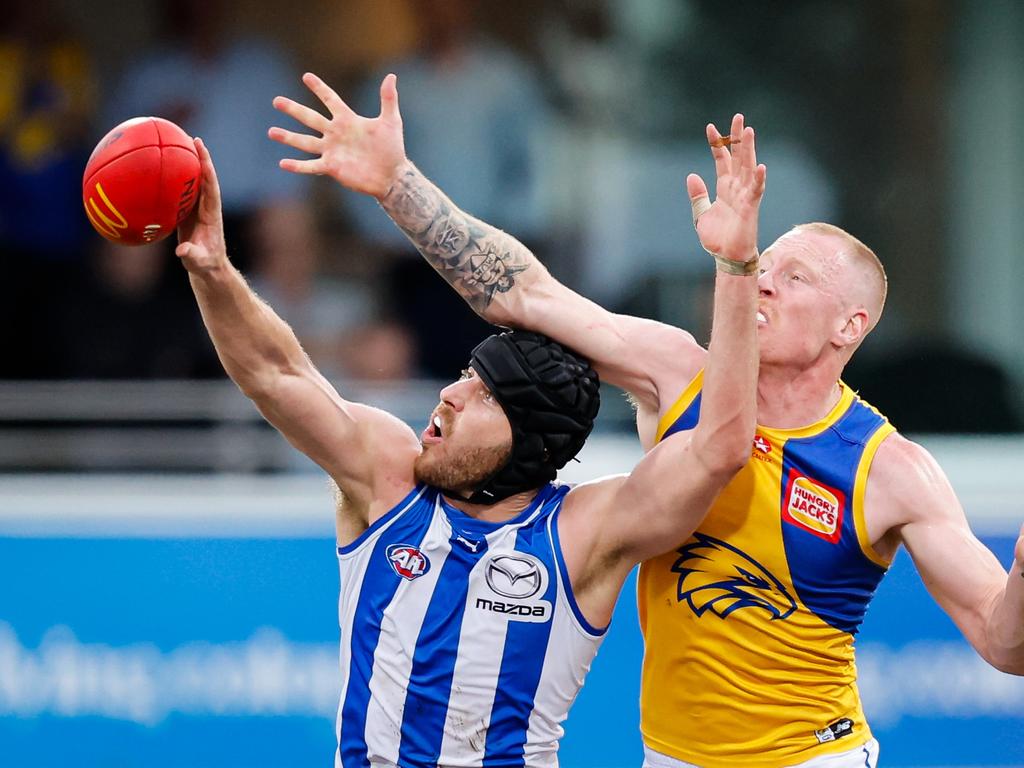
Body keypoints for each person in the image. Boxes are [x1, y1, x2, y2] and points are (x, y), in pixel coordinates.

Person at [271, 73, 1024, 767]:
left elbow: (1002, 640)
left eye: (792, 278)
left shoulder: (889, 470)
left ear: (847, 327)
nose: (762, 282)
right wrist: (395, 184)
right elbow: (524, 295)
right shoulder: (677, 372)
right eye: (761, 266)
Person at [190, 89, 764, 766]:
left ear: (531, 443)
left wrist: (736, 268)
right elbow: (275, 373)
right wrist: (214, 270)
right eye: (466, 372)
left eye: (485, 395)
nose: (451, 395)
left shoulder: (582, 534)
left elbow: (722, 447)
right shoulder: (387, 476)